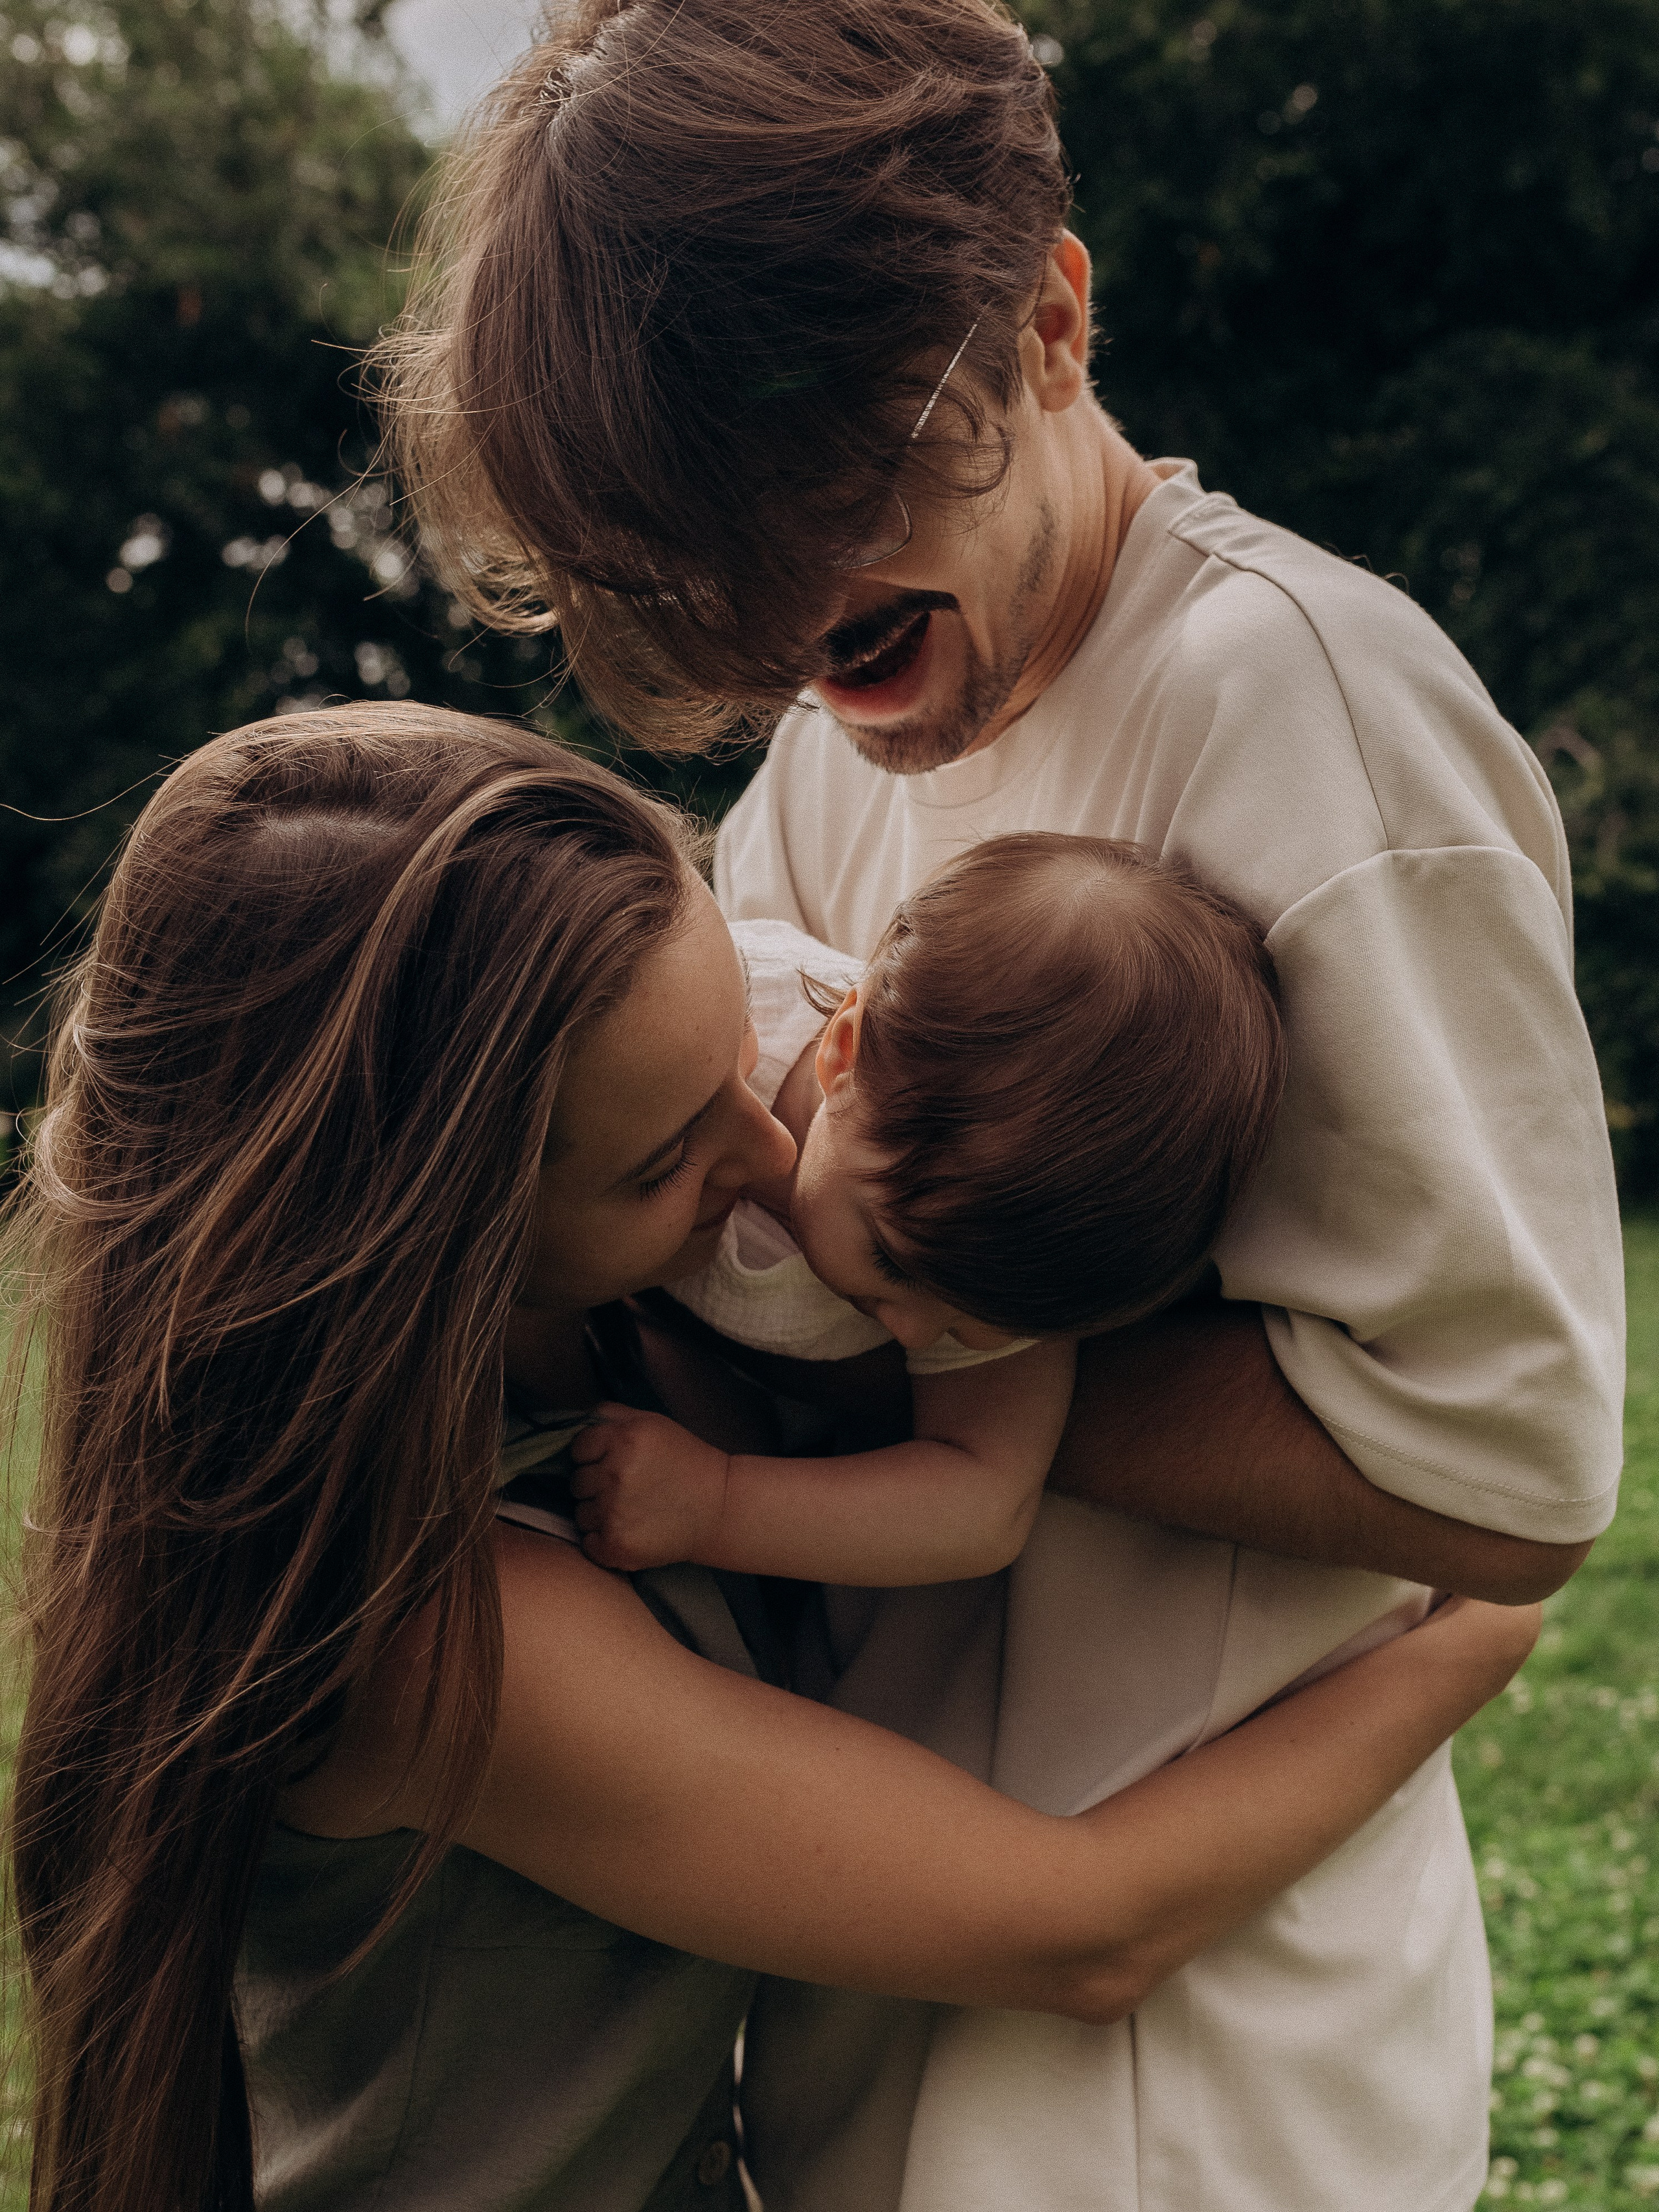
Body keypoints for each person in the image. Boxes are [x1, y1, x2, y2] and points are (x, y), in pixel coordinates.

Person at [375, 4, 1626, 2207]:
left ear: (1048, 321)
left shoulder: (1296, 710)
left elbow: (1514, 1465)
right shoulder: (831, 756)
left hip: (1188, 2076)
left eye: (830, 522)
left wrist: (886, 1358)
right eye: (712, 570)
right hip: (891, 1997)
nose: (784, 627)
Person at [5, 702, 1538, 2212]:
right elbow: (1079, 1931)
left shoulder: (591, 1347)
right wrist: (1470, 1632)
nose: (766, 1161)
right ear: (428, 1242)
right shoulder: (447, 1633)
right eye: (666, 1156)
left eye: (753, 1060)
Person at [572, 833, 1286, 1589]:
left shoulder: (1003, 1260)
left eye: (967, 1323)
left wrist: (715, 1504)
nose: (911, 1331)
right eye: (889, 1254)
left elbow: (982, 1503)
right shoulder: (703, 1021)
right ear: (844, 1053)